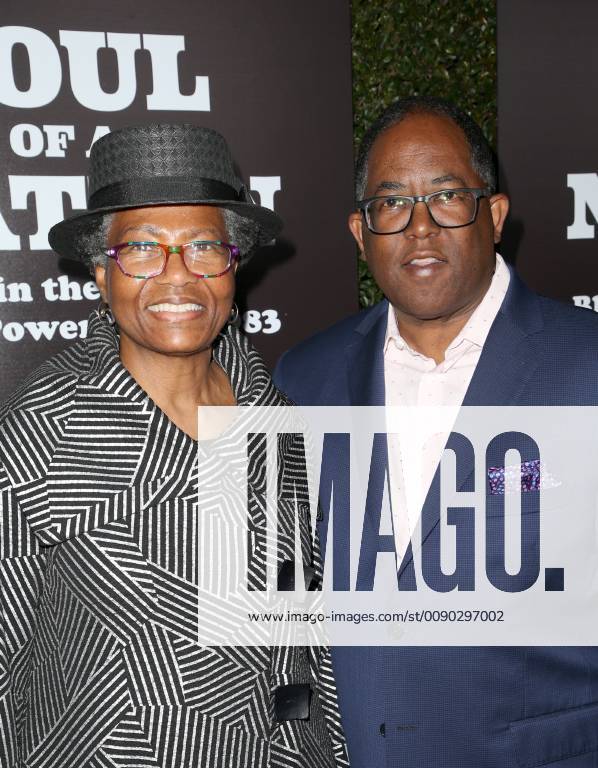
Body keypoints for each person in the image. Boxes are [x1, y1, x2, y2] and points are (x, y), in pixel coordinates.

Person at [0, 124, 348, 767]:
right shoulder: (43, 429)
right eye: (141, 249)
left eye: (203, 247)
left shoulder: (273, 416)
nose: (178, 276)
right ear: (102, 276)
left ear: (233, 265)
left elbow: (300, 637)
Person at [273, 97, 598, 767]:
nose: (420, 228)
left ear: (495, 215)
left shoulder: (587, 365)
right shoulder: (303, 376)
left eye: (447, 195)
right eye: (391, 205)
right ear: (361, 233)